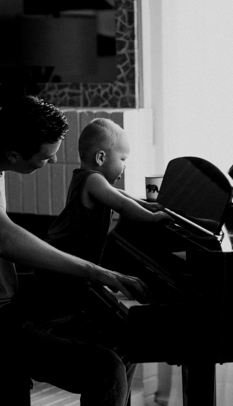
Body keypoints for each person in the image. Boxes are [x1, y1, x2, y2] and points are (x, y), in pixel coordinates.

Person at [0, 96, 149, 406]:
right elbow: (0, 236)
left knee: (123, 339)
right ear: (13, 154)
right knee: (106, 370)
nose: (52, 162)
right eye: (45, 157)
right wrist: (95, 271)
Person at [31, 118, 172, 393]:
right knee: (81, 313)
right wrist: (154, 219)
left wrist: (148, 204)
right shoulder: (94, 180)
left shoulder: (86, 178)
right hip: (61, 265)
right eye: (123, 159)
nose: (124, 166)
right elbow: (121, 203)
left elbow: (124, 196)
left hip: (62, 261)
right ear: (101, 157)